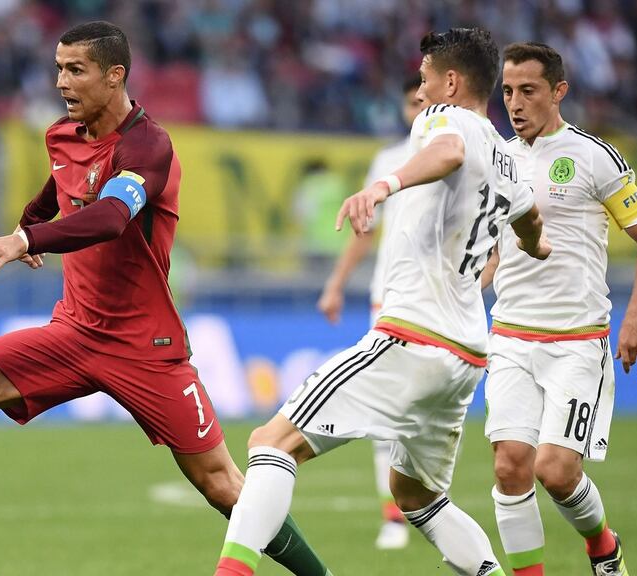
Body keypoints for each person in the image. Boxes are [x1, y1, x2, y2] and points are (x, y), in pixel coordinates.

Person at [0, 21, 331, 576]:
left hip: (147, 346)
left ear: (115, 75)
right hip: (72, 333)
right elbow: (57, 189)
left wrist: (26, 238)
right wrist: (30, 222)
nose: (62, 82)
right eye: (58, 68)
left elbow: (113, 217)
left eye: (76, 70)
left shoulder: (149, 146)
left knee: (222, 485)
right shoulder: (62, 136)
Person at [214, 27, 551, 576]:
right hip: (465, 354)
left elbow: (448, 150)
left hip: (411, 336)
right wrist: (539, 245)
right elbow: (531, 223)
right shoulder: (512, 160)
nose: (418, 93)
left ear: (450, 81)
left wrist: (382, 187)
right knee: (415, 494)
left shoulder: (443, 119)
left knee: (270, 443)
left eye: (423, 80)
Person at [479, 42, 637, 576]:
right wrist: (473, 286)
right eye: (508, 92)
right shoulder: (499, 157)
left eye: (528, 91)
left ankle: (603, 546)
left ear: (559, 91)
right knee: (510, 465)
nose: (515, 103)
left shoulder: (591, 155)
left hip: (576, 343)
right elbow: (495, 247)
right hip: (511, 337)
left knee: (556, 471)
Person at [315, 75, 426, 550]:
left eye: (423, 100)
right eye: (409, 102)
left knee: (428, 414)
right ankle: (394, 517)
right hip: (390, 298)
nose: (416, 108)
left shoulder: (463, 151)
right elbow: (365, 230)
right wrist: (336, 285)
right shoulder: (388, 160)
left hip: (441, 303)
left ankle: (425, 505)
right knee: (388, 406)